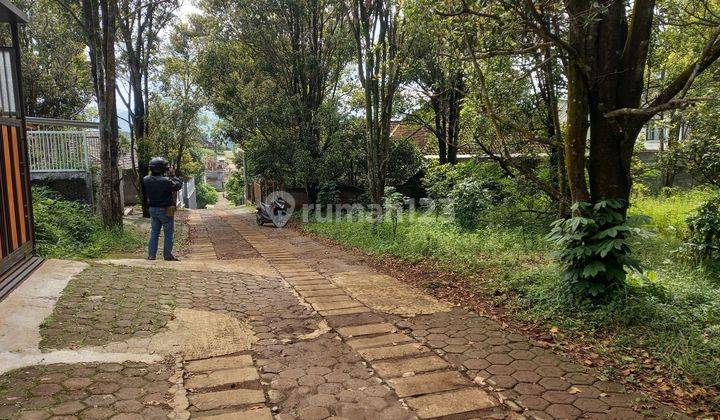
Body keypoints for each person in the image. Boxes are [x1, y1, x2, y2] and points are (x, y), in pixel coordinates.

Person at [143, 157, 183, 261]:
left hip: (152, 209)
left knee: (154, 232)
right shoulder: (165, 181)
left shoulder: (146, 179)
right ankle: (167, 255)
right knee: (168, 233)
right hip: (165, 210)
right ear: (162, 169)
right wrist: (173, 175)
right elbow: (178, 186)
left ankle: (151, 255)